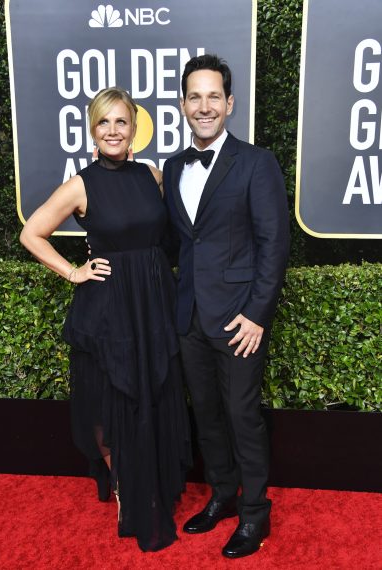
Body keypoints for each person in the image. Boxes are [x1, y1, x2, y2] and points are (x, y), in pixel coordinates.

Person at [20, 86, 191, 552]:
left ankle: (153, 477)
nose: (113, 130)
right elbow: (31, 232)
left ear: (134, 129)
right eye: (104, 123)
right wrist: (73, 270)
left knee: (154, 387)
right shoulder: (81, 184)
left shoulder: (153, 176)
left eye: (121, 122)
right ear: (92, 130)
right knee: (113, 395)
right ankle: (123, 484)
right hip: (110, 305)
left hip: (153, 301)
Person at [162, 54, 290, 559]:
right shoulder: (173, 168)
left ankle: (256, 514)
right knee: (208, 416)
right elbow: (176, 243)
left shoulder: (256, 162)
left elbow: (273, 244)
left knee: (241, 416)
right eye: (195, 96)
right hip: (189, 317)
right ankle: (222, 497)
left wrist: (258, 313)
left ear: (230, 103)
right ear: (182, 105)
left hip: (239, 318)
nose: (205, 105)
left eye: (214, 95)